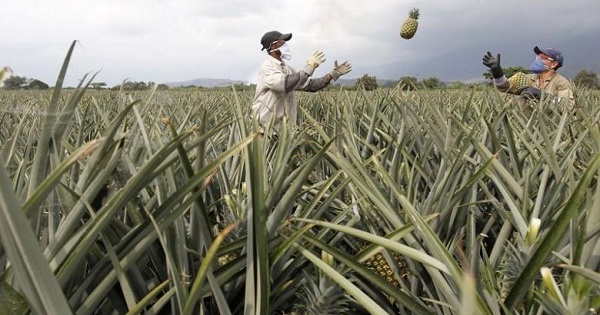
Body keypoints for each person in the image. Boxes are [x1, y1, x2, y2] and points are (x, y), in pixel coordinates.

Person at [251, 30, 352, 134]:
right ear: (272, 46)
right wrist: (310, 67)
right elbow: (285, 84)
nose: (285, 44)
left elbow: (310, 85)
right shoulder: (267, 67)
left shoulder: (286, 68)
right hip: (265, 129)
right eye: (281, 42)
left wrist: (331, 75)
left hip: (282, 130)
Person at [482, 46, 575, 110]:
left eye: (542, 58)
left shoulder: (561, 82)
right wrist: (497, 71)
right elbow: (504, 87)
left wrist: (542, 96)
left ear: (554, 64)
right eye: (537, 57)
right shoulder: (527, 78)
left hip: (549, 126)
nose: (537, 60)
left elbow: (568, 106)